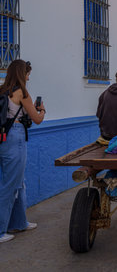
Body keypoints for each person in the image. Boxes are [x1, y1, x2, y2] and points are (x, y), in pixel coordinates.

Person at [0, 60, 45, 243]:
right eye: (27, 74)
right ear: (21, 74)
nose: (28, 77)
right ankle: (1, 231)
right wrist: (42, 110)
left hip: (3, 138)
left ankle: (19, 222)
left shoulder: (3, 90)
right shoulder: (22, 92)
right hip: (15, 138)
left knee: (18, 182)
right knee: (10, 185)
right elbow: (36, 119)